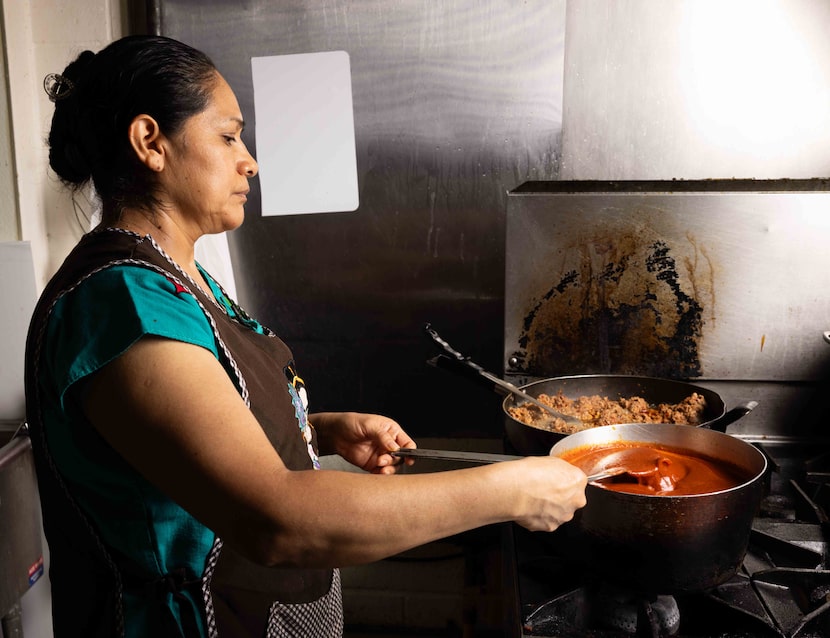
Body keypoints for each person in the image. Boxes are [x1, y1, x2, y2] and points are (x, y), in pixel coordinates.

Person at [25, 34, 588, 638]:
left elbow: (184, 441)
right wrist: (511, 490)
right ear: (150, 143)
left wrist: (314, 429)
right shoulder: (123, 302)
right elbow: (277, 520)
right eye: (227, 135)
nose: (250, 160)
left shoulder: (176, 276)